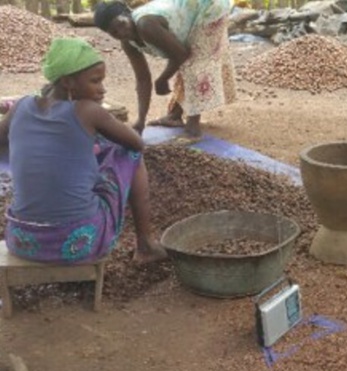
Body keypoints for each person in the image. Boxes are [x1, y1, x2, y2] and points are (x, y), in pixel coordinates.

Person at [0, 38, 167, 265]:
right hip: (77, 243)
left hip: (22, 241)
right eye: (95, 81)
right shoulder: (88, 111)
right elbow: (137, 143)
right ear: (68, 82)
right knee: (131, 155)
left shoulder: (20, 106)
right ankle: (146, 244)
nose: (102, 89)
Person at [93, 0, 236, 138]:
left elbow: (181, 54)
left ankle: (193, 127)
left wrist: (162, 79)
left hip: (208, 6)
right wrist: (141, 120)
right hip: (188, 12)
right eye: (114, 32)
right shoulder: (127, 43)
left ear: (128, 13)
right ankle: (175, 116)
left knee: (195, 60)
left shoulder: (145, 25)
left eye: (122, 24)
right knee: (187, 59)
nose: (122, 32)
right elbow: (142, 79)